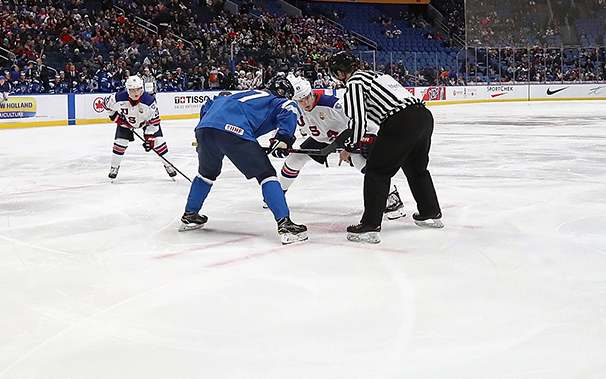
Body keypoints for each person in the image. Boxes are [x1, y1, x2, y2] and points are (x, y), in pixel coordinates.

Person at [328, 51, 441, 244]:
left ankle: (370, 225)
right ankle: (430, 212)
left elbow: (358, 121)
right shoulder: (378, 75)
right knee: (416, 169)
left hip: (401, 121)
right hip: (423, 116)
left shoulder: (355, 82)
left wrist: (349, 147)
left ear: (339, 73)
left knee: (376, 172)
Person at [182, 76, 308, 244]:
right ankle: (285, 224)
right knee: (266, 175)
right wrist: (284, 138)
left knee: (206, 174)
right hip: (235, 131)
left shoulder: (243, 95)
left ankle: (190, 214)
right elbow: (290, 108)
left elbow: (209, 104)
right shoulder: (275, 100)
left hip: (205, 129)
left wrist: (203, 131)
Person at [279, 74, 405, 220]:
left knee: (361, 162)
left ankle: (392, 197)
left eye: (307, 97)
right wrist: (281, 140)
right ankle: (277, 194)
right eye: (301, 100)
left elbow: (360, 122)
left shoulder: (332, 105)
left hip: (347, 136)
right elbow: (284, 125)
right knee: (295, 159)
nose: (306, 102)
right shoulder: (294, 109)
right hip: (322, 139)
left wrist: (368, 138)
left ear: (311, 92)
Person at [101, 75, 176, 180]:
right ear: (128, 90)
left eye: (138, 89)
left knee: (159, 142)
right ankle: (114, 167)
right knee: (120, 143)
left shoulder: (149, 102)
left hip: (145, 123)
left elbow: (154, 121)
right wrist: (114, 116)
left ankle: (169, 165)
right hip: (126, 122)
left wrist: (149, 138)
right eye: (132, 90)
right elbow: (105, 104)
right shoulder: (118, 97)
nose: (136, 93)